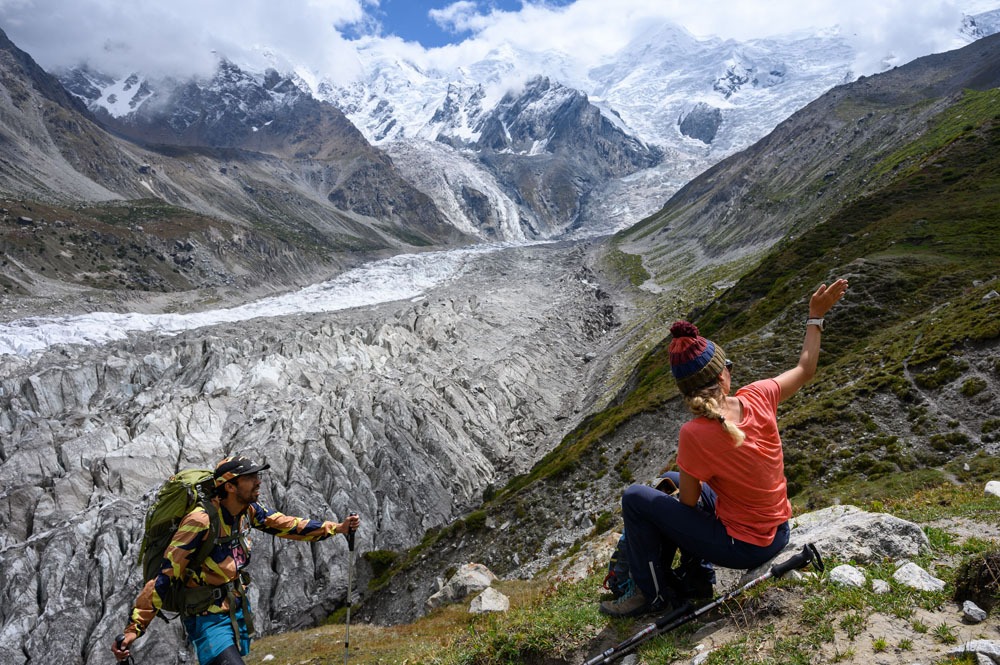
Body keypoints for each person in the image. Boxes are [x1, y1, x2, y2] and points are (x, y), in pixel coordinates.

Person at [600, 279, 848, 617]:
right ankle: (696, 578)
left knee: (635, 498)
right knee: (673, 480)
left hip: (744, 548)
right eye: (727, 365)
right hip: (778, 531)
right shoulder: (759, 394)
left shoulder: (694, 433)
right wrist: (815, 316)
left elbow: (688, 505)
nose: (730, 369)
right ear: (721, 377)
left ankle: (651, 595)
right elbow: (806, 368)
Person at [111, 454, 362, 665]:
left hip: (234, 609)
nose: (258, 481)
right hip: (206, 617)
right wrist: (134, 629)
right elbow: (165, 575)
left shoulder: (246, 511)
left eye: (257, 476)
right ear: (230, 486)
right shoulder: (200, 521)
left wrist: (337, 528)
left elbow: (286, 525)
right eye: (250, 478)